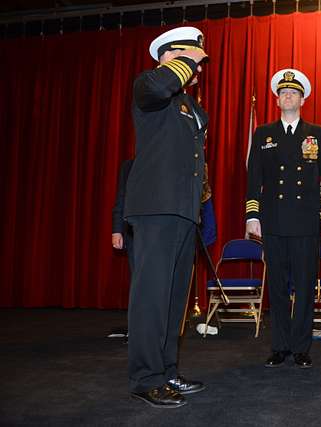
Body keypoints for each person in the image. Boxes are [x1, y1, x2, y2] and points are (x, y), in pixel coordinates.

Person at [123, 26, 209, 408]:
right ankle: (146, 377)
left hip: (183, 210)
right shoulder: (149, 86)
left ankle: (167, 370)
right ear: (172, 56)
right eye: (194, 59)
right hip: (155, 207)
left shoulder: (190, 106)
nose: (198, 69)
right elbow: (156, 88)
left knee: (174, 299)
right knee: (151, 297)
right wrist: (181, 63)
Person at [245, 69, 321, 369]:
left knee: (305, 284)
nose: (288, 96)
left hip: (307, 220)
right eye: (283, 93)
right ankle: (280, 346)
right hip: (273, 219)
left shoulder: (317, 133)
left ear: (302, 99)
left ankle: (301, 347)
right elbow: (253, 179)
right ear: (277, 100)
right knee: (277, 286)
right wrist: (252, 215)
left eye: (293, 93)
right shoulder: (263, 134)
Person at [112, 158, 134, 272]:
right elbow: (121, 197)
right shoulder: (129, 165)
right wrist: (117, 230)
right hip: (133, 232)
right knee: (137, 276)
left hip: (159, 230)